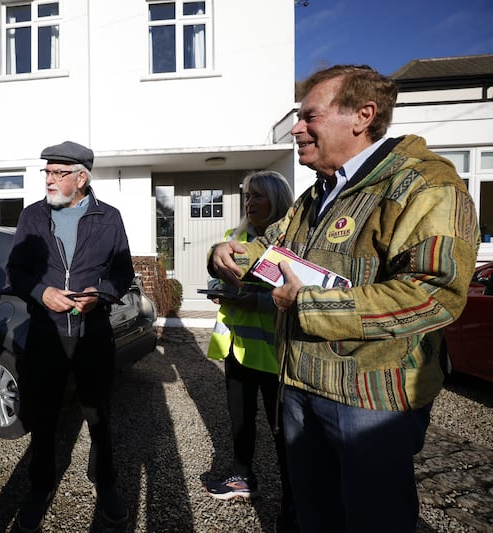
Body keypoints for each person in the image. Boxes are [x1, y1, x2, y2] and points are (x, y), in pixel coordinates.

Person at [209, 65, 480, 533]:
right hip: (298, 388)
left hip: (370, 403)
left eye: (309, 116)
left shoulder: (425, 186)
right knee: (313, 516)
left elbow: (434, 295)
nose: (296, 127)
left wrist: (309, 305)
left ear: (362, 116)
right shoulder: (317, 194)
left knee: (372, 520)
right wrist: (231, 251)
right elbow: (276, 250)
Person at [6, 140, 134, 532]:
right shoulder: (31, 217)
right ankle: (40, 485)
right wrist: (41, 293)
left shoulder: (108, 217)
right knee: (42, 416)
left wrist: (101, 294)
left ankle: (105, 481)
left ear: (82, 178)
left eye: (58, 172)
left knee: (98, 414)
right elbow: (17, 271)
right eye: (46, 171)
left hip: (92, 332)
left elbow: (122, 272)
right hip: (45, 332)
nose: (49, 179)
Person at [203, 171, 297, 532]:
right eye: (247, 197)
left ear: (277, 201)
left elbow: (298, 299)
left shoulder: (291, 244)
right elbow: (218, 276)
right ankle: (242, 477)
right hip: (237, 350)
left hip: (277, 355)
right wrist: (217, 287)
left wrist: (252, 300)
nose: (250, 203)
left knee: (283, 430)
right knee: (239, 422)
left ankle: (294, 497)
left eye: (258, 196)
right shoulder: (235, 239)